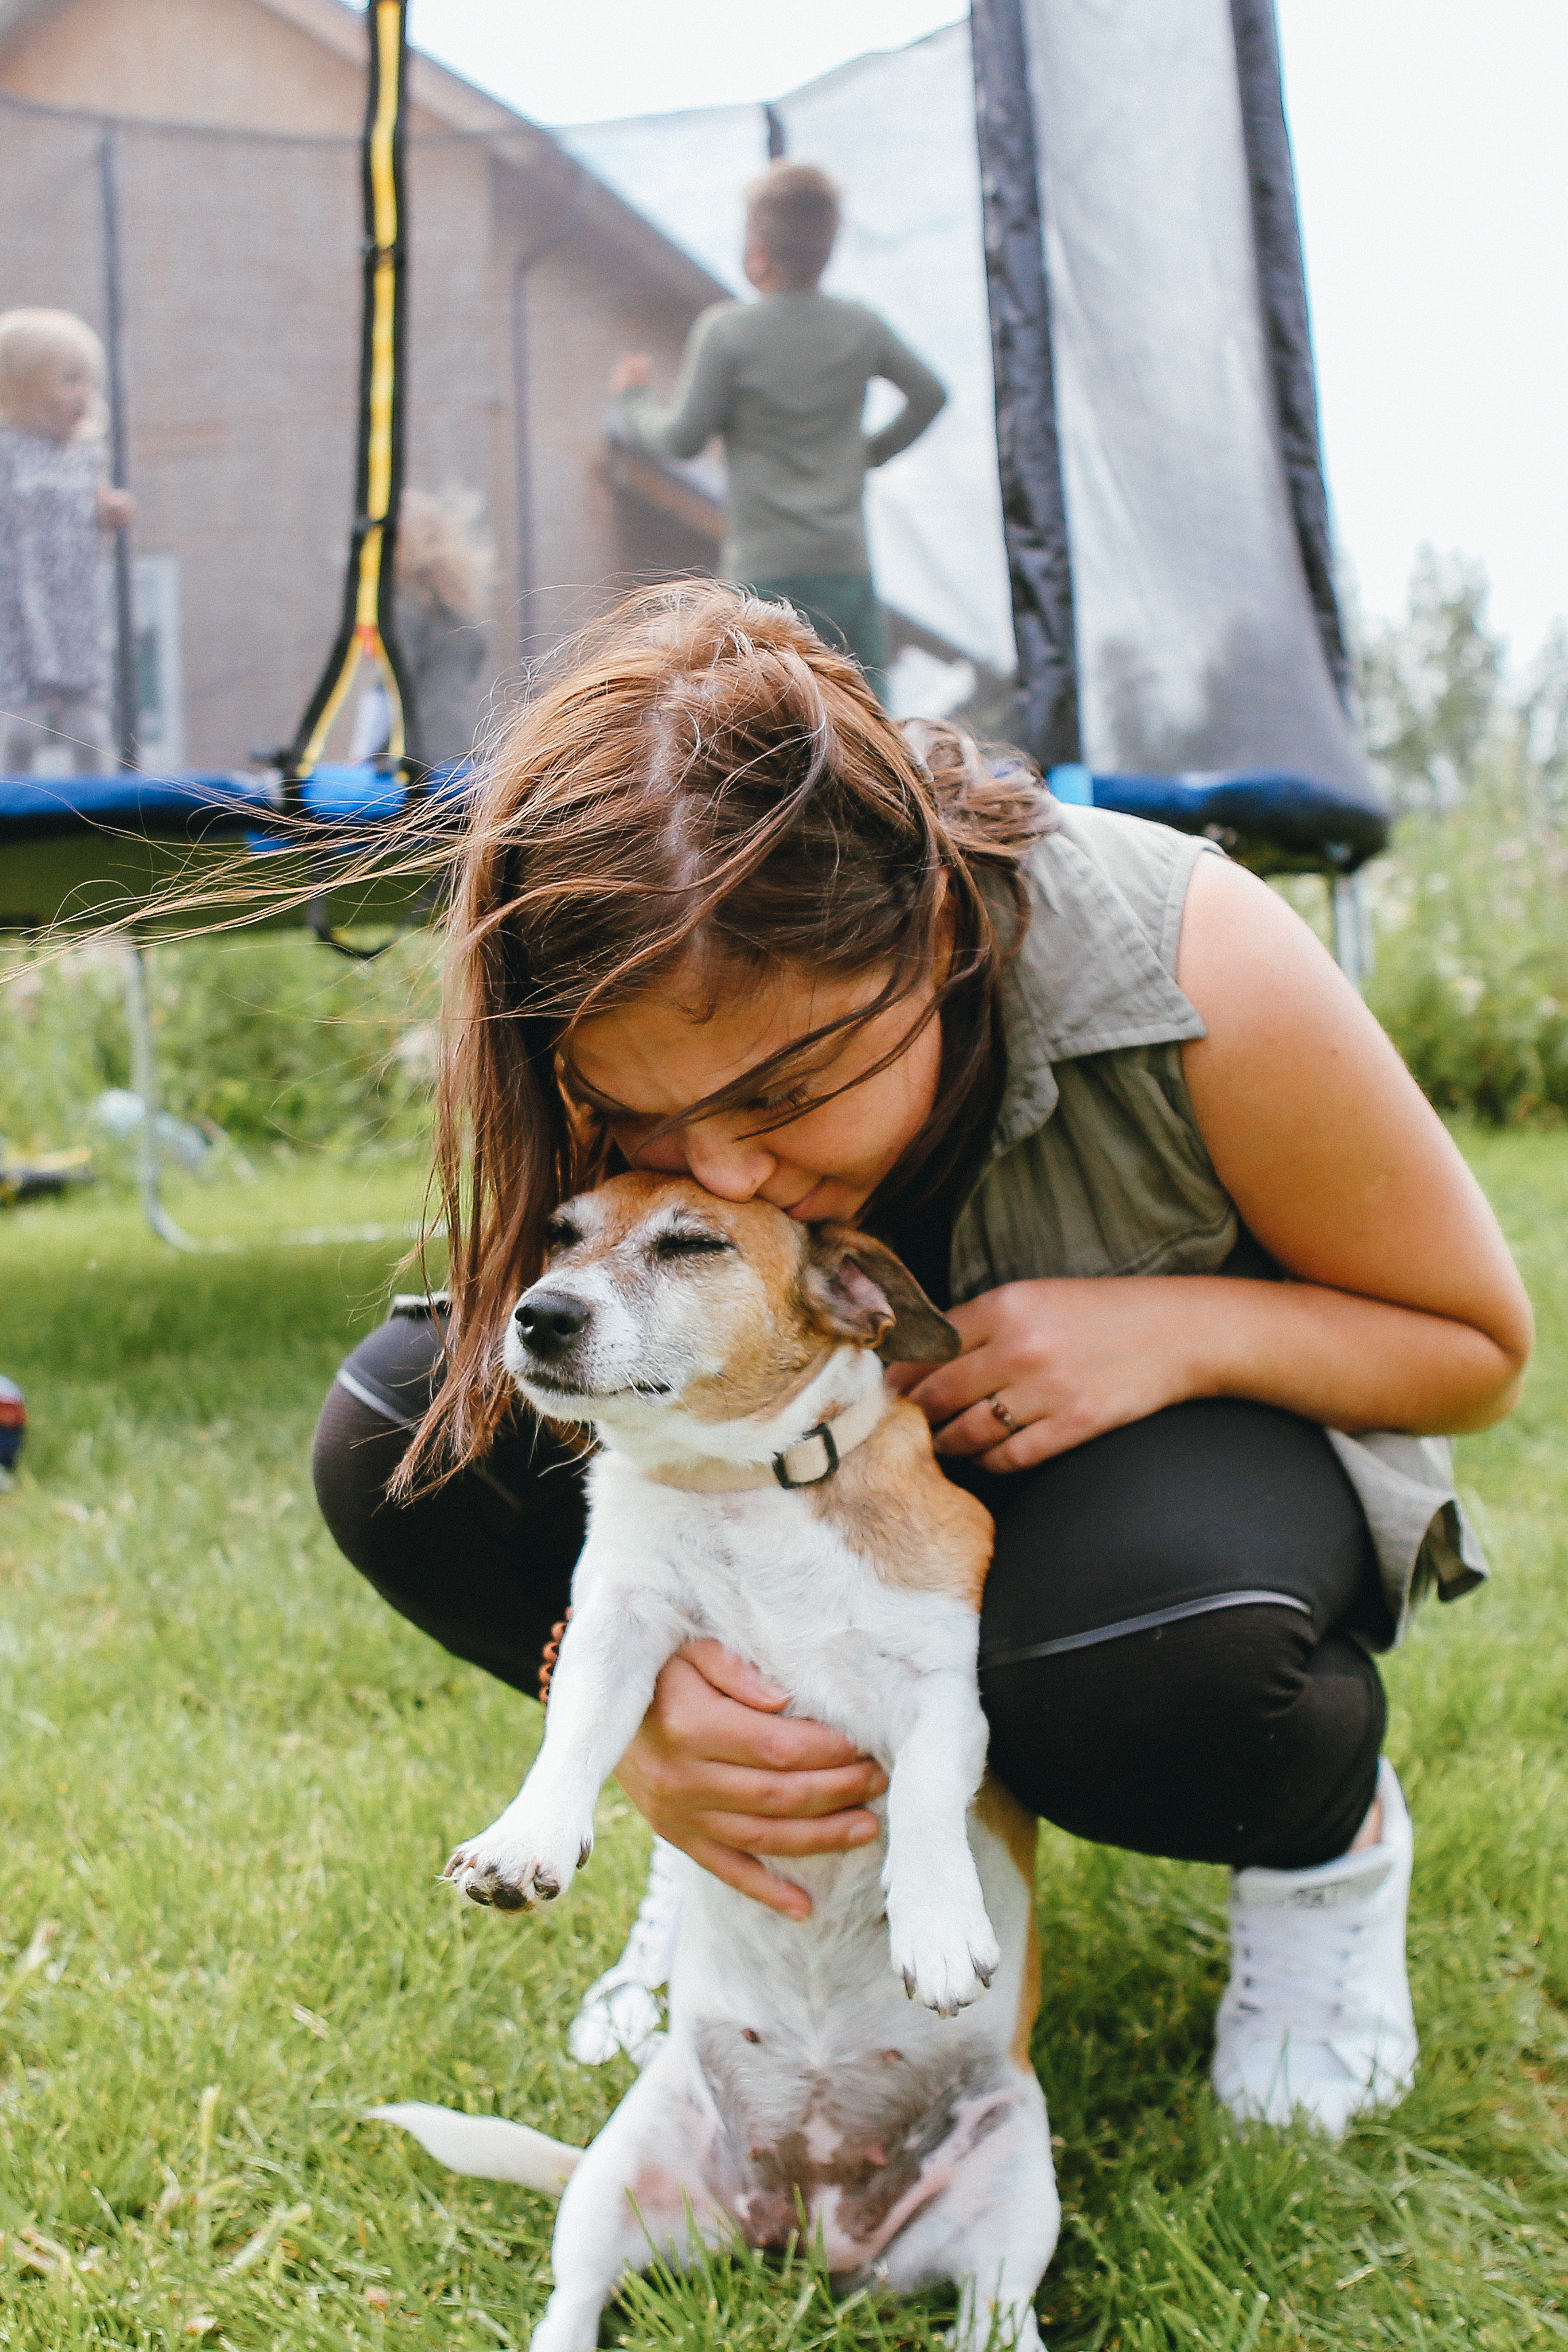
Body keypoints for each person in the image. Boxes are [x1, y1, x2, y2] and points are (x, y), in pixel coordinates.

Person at [313, 582, 1531, 2141]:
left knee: (1148, 1643)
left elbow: (1478, 1348)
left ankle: (1320, 1851)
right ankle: (741, 1860)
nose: (722, 1174)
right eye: (645, 1118)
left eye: (783, 1089)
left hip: (1149, 1473)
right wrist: (626, 1709)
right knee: (395, 1428)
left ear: (937, 930)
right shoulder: (618, 1023)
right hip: (782, 1474)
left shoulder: (1185, 948)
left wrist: (1171, 1330)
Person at [608, 162, 945, 702]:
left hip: (764, 573)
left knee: (763, 716)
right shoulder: (860, 326)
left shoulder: (728, 332)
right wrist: (865, 454)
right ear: (827, 250)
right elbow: (930, 395)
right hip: (844, 565)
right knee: (863, 713)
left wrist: (632, 400)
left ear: (757, 251)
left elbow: (680, 439)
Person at [0, 308, 135, 777]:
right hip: (18, 604)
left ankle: (99, 809)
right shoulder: (6, 449)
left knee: (89, 725)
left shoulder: (84, 455)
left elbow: (96, 503)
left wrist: (111, 509)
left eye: (88, 382)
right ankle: (14, 807)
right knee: (23, 727)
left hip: (72, 603)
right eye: (69, 379)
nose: (83, 394)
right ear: (22, 385)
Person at [350, 487, 494, 770]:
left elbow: (386, 689)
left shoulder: (403, 611)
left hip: (410, 760)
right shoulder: (462, 616)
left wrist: (359, 759)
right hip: (461, 749)